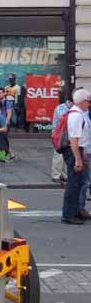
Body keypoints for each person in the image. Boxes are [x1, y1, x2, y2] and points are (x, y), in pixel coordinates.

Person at [61, 88, 91, 224]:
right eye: (88, 101)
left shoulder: (77, 114)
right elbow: (74, 140)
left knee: (78, 183)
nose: (89, 104)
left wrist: (82, 153)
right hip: (74, 151)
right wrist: (78, 159)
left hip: (79, 150)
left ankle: (76, 210)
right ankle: (68, 214)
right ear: (82, 102)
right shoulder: (76, 116)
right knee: (73, 184)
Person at [51, 91, 72, 185]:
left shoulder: (76, 109)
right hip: (60, 134)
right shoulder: (60, 108)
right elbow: (55, 122)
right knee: (58, 156)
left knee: (67, 155)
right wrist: (53, 134)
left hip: (70, 135)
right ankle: (55, 175)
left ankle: (64, 174)